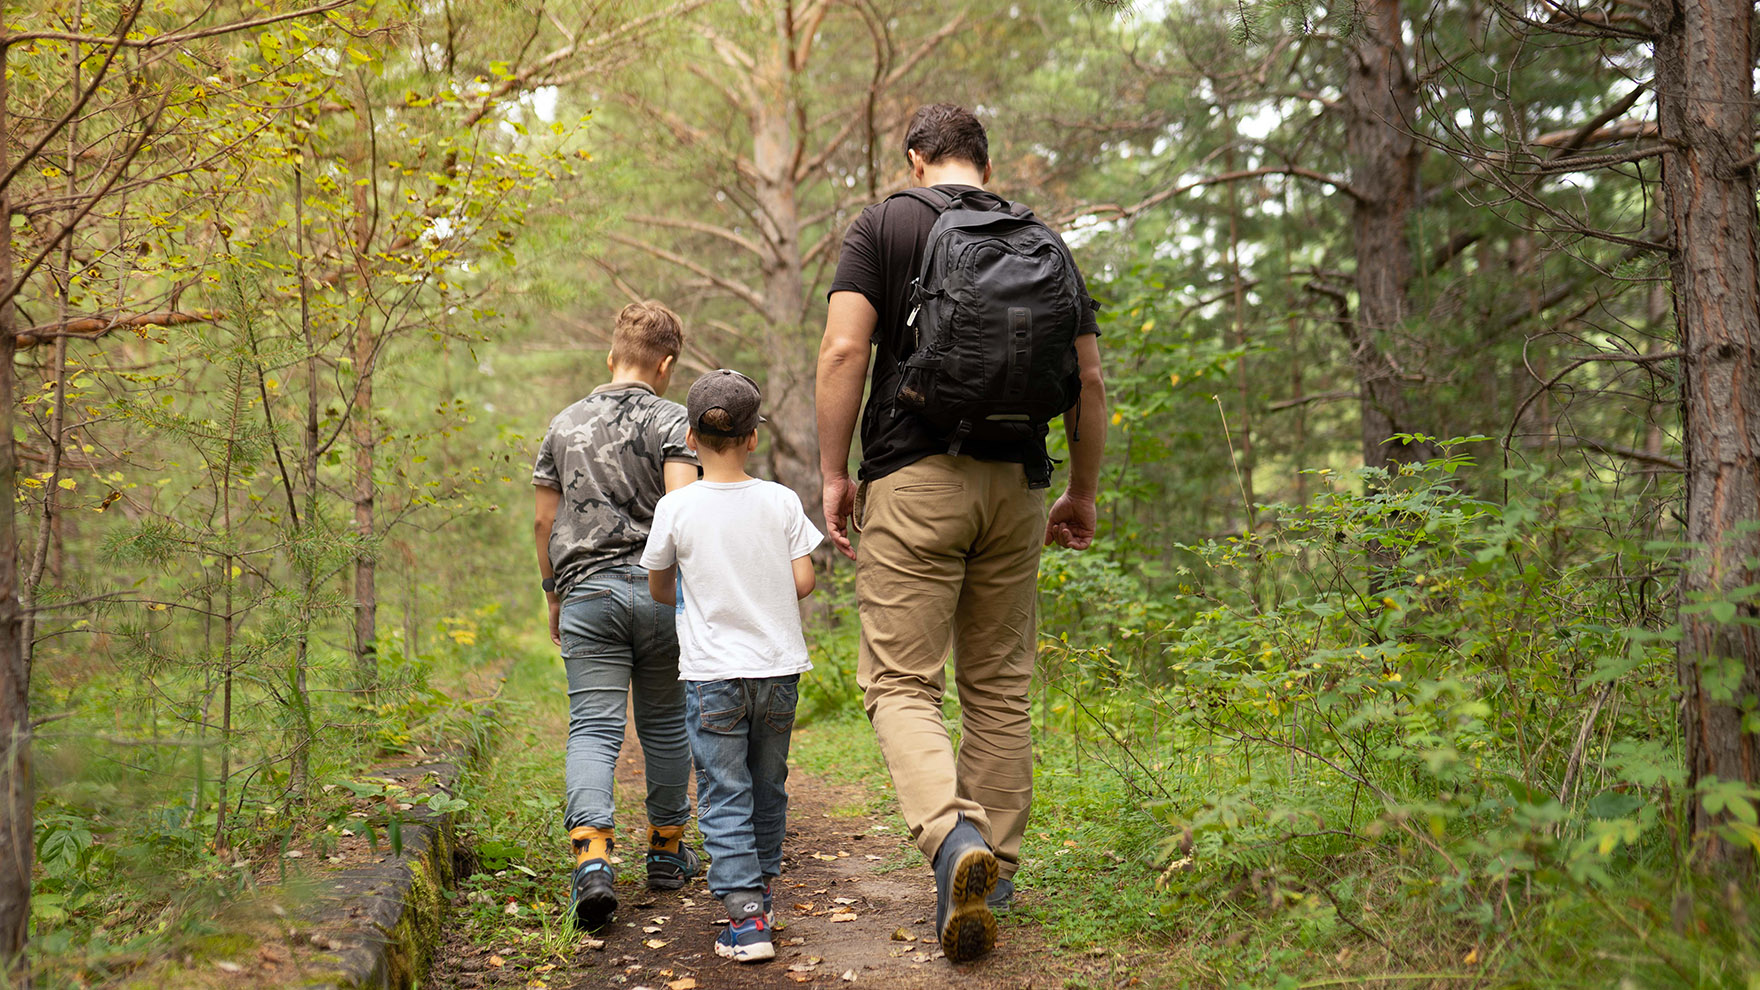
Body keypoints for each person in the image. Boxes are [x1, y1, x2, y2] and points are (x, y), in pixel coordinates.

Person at [814, 103, 1108, 962]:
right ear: (984, 160)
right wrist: (1081, 493)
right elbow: (1088, 381)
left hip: (916, 476)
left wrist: (836, 473)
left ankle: (951, 842)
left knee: (902, 682)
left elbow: (843, 353)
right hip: (1019, 486)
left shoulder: (886, 224)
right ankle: (997, 871)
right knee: (999, 685)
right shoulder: (1044, 238)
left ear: (917, 158)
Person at [532, 301, 704, 931]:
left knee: (594, 729)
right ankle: (664, 851)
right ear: (666, 365)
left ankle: (594, 860)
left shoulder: (563, 423)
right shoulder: (673, 419)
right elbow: (685, 510)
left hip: (586, 595)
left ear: (611, 356)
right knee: (663, 726)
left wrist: (553, 591)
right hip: (660, 595)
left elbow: (544, 521)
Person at [642, 370, 823, 964]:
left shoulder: (676, 506)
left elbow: (660, 587)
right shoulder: (781, 500)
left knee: (724, 793)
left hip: (713, 673)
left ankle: (745, 921)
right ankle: (763, 895)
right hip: (777, 670)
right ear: (753, 438)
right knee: (768, 785)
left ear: (690, 438)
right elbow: (803, 581)